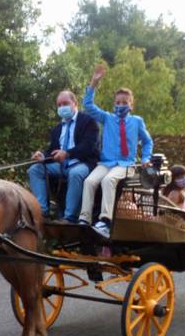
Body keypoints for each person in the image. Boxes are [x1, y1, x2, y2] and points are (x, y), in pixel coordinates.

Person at [79, 63, 154, 237]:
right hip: (106, 162)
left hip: (126, 164)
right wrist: (94, 83)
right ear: (114, 104)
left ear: (131, 105)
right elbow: (88, 105)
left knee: (108, 181)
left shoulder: (136, 121)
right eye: (118, 102)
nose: (121, 105)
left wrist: (145, 158)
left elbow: (147, 141)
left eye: (124, 103)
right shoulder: (107, 118)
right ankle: (84, 218)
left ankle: (105, 221)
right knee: (89, 181)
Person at [27, 90, 99, 223]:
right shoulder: (57, 129)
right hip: (61, 165)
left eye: (65, 103)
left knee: (76, 173)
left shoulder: (88, 121)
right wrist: (42, 156)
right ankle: (42, 211)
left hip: (82, 163)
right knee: (35, 169)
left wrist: (67, 153)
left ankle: (69, 217)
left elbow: (89, 146)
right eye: (59, 105)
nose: (62, 108)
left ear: (75, 103)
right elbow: (52, 151)